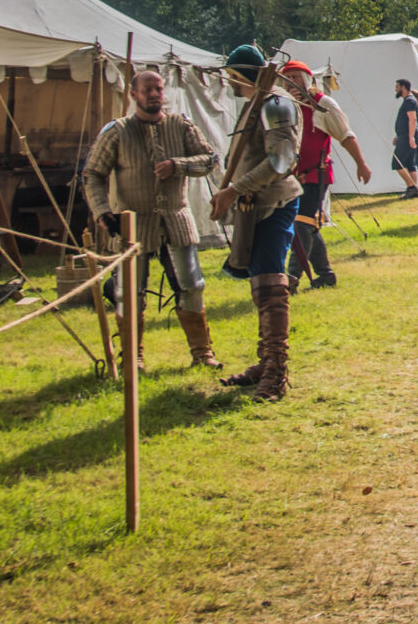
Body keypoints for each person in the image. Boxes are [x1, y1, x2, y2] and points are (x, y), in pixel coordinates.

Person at [81, 68, 224, 369]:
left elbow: (210, 159)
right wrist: (102, 212)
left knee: (192, 286)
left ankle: (202, 353)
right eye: (148, 90)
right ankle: (132, 357)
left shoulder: (181, 125)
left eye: (158, 89)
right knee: (128, 293)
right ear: (134, 94)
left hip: (177, 219)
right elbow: (93, 174)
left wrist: (178, 165)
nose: (155, 94)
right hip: (134, 224)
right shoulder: (117, 131)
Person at [210, 46, 303, 401]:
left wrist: (233, 190)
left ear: (238, 74)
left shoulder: (275, 103)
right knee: (260, 284)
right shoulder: (260, 100)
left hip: (273, 202)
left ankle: (277, 372)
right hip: (258, 202)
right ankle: (266, 362)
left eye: (231, 75)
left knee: (270, 285)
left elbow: (281, 162)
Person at [279, 61, 370, 290]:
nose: (291, 82)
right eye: (286, 78)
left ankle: (291, 278)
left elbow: (345, 135)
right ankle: (325, 275)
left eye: (295, 77)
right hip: (292, 178)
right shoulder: (284, 106)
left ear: (307, 79)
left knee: (301, 224)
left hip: (315, 176)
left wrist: (361, 164)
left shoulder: (322, 104)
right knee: (308, 225)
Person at [391, 78, 418, 198]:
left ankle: (412, 187)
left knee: (397, 163)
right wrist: (399, 135)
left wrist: (410, 137)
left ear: (403, 87)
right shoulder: (409, 101)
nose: (396, 89)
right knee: (410, 164)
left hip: (407, 138)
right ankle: (413, 191)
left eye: (397, 87)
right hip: (405, 136)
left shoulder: (410, 101)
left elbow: (412, 119)